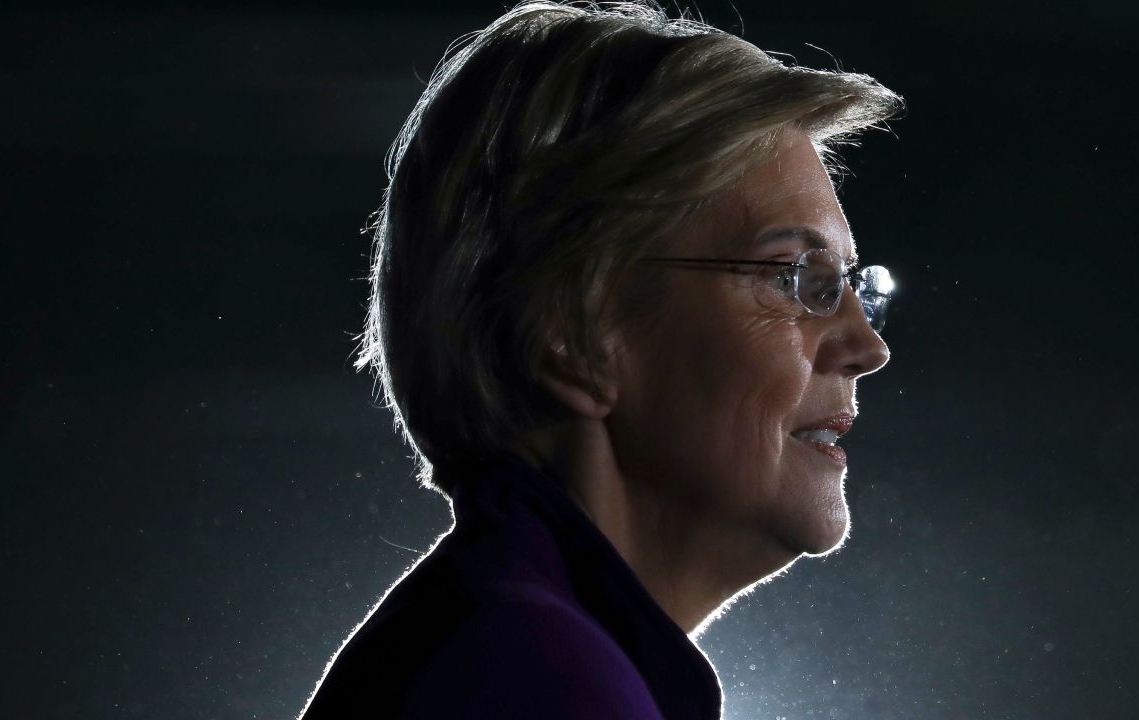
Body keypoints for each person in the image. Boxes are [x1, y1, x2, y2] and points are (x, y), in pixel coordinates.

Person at [300, 1, 901, 718]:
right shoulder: (533, 682)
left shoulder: (512, 644)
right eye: (792, 278)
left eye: (849, 285)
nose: (869, 347)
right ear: (578, 334)